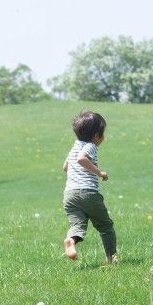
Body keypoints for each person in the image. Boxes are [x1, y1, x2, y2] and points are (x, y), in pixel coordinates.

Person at [62, 110, 117, 264]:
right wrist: (99, 172)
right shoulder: (91, 146)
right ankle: (112, 259)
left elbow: (66, 167)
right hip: (88, 193)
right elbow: (81, 159)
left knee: (77, 224)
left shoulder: (74, 146)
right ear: (96, 136)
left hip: (70, 195)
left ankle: (71, 241)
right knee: (106, 226)